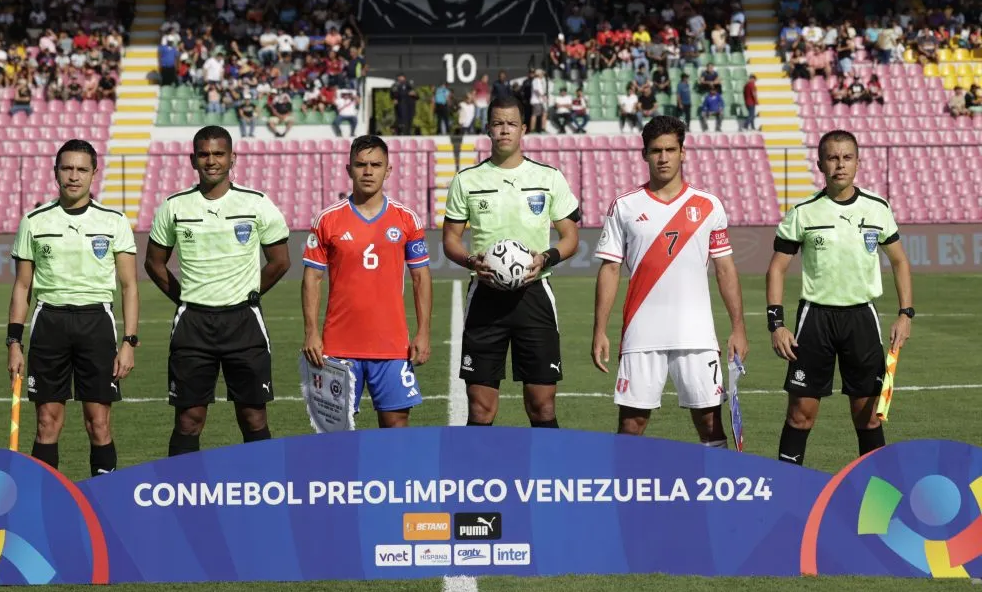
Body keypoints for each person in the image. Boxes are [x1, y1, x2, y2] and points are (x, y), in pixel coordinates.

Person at [591, 116, 748, 443]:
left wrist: (738, 328)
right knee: (631, 425)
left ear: (683, 152)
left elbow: (725, 270)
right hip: (641, 332)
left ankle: (713, 493)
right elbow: (609, 270)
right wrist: (600, 330)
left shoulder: (708, 206)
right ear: (644, 154)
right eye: (656, 151)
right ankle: (626, 493)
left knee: (709, 422)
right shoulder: (625, 206)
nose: (663, 157)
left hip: (696, 333)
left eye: (670, 150)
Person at [768, 130, 913, 466]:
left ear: (858, 162)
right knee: (801, 414)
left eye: (847, 157)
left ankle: (877, 494)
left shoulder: (877, 208)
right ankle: (789, 495)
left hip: (861, 318)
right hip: (815, 319)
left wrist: (906, 313)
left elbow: (900, 261)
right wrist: (776, 324)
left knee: (868, 416)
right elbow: (776, 269)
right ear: (820, 163)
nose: (840, 164)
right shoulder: (803, 212)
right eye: (832, 158)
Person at [144, 126, 292, 457]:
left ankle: (260, 490)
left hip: (244, 320)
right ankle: (181, 497)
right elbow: (154, 263)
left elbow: (280, 261)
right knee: (189, 419)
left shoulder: (256, 203)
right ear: (193, 159)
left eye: (219, 154)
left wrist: (249, 294)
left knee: (253, 416)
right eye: (204, 154)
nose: (211, 161)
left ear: (232, 158)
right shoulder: (174, 206)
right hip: (193, 324)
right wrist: (185, 298)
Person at [443, 96, 580, 428]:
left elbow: (570, 236)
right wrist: (472, 260)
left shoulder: (549, 177)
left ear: (524, 128)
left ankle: (547, 476)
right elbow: (450, 241)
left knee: (542, 407)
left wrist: (546, 257)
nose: (504, 130)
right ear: (488, 128)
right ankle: (478, 478)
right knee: (480, 409)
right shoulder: (466, 180)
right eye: (498, 123)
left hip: (535, 296)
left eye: (511, 124)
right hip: (485, 298)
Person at [6, 139, 138, 477]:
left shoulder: (114, 222)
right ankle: (44, 504)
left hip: (97, 322)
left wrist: (129, 342)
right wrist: (14, 342)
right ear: (56, 172)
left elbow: (129, 286)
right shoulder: (34, 221)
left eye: (81, 169)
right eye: (67, 168)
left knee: (99, 423)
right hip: (50, 321)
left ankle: (103, 504)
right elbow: (23, 285)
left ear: (94, 173)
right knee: (47, 422)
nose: (74, 176)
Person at [301, 135, 432, 427]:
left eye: (376, 164)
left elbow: (421, 277)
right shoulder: (327, 219)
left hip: (392, 345)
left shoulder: (406, 219)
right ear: (349, 169)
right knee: (335, 437)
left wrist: (423, 332)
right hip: (338, 348)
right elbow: (313, 277)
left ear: (388, 170)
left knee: (396, 429)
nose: (368, 171)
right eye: (361, 165)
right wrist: (311, 332)